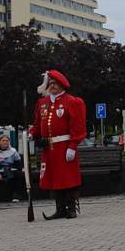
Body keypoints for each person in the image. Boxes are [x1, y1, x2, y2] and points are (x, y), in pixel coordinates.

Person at [30, 70, 87, 219]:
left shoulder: (72, 102)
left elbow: (78, 127)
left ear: (62, 85)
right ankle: (60, 209)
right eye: (50, 83)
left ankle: (71, 208)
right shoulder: (42, 103)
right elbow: (38, 123)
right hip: (49, 148)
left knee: (68, 179)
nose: (52, 86)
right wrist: (34, 136)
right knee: (54, 178)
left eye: (55, 83)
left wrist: (73, 146)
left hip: (64, 146)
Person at [0, 135, 26, 202]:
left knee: (19, 175)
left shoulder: (13, 151)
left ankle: (16, 195)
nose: (5, 142)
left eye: (7, 141)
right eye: (3, 140)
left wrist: (21, 169)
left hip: (11, 168)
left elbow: (18, 162)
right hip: (0, 169)